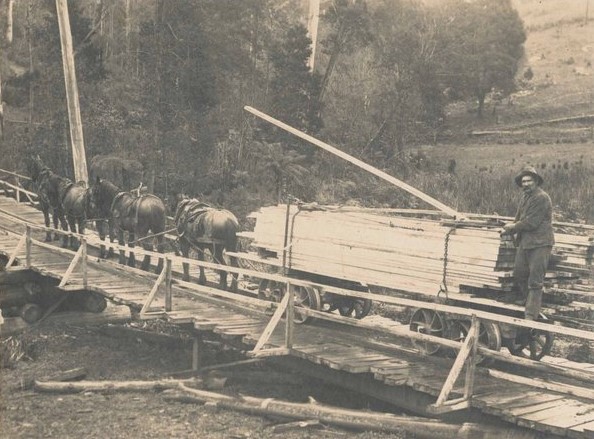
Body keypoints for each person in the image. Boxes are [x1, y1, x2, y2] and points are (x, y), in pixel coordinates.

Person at [502, 166, 554, 320]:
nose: (526, 184)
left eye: (529, 180)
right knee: (519, 274)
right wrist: (510, 227)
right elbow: (519, 218)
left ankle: (531, 315)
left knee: (535, 280)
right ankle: (529, 302)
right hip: (525, 243)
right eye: (523, 181)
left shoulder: (542, 197)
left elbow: (532, 222)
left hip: (540, 243)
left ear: (536, 181)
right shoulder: (525, 197)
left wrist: (512, 228)